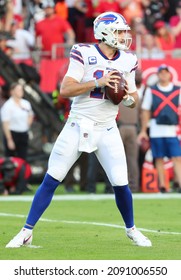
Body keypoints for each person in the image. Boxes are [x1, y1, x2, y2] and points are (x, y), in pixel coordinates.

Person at [6, 11, 152, 248]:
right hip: (78, 123)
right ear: (105, 33)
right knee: (53, 177)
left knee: (120, 182)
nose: (124, 36)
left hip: (107, 128)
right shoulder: (83, 52)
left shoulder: (127, 60)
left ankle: (132, 229)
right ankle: (26, 231)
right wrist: (98, 82)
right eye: (119, 31)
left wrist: (126, 98)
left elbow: (134, 97)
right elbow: (66, 89)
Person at [138, 64, 181, 193]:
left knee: (177, 157)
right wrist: (144, 130)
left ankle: (179, 182)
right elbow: (145, 110)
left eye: (165, 72)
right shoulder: (152, 90)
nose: (163, 75)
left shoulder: (177, 90)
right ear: (157, 75)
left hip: (172, 130)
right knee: (159, 158)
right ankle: (163, 185)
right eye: (161, 73)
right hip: (156, 129)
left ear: (169, 74)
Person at [1, 82, 34, 160]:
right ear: (12, 92)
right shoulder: (8, 106)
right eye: (18, 90)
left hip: (23, 134)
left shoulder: (26, 103)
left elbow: (30, 114)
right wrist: (9, 140)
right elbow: (5, 124)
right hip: (13, 134)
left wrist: (27, 126)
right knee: (11, 159)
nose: (21, 91)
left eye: (21, 89)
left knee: (23, 158)